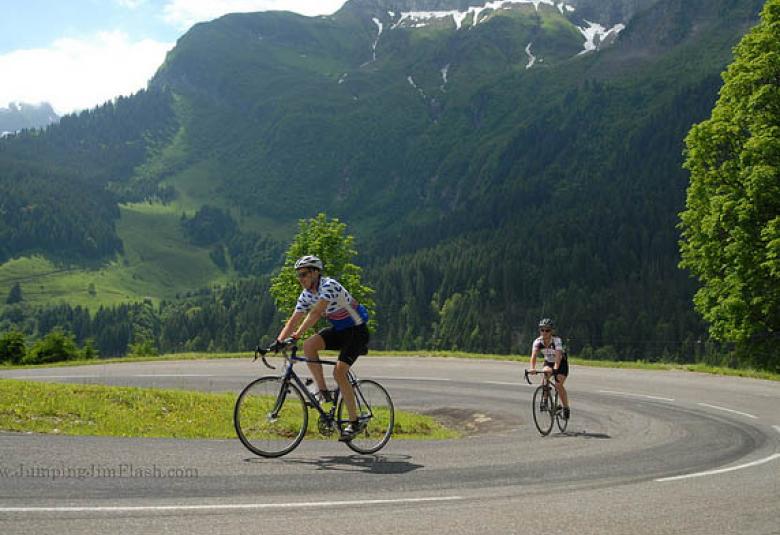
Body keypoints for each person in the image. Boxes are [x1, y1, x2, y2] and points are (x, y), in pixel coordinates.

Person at [276, 255, 370, 441]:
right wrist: (278, 342)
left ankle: (354, 422)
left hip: (357, 331)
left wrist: (295, 336)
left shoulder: (329, 285)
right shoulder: (306, 295)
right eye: (298, 275)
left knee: (339, 372)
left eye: (303, 274)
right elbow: (293, 320)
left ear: (315, 273)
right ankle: (323, 391)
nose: (300, 278)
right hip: (340, 330)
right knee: (309, 345)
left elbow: (316, 313)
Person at [529, 318, 570, 419]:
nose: (544, 332)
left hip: (561, 363)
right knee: (545, 375)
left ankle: (565, 408)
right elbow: (533, 356)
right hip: (548, 361)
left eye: (547, 330)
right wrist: (532, 368)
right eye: (542, 330)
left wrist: (556, 369)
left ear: (551, 331)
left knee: (558, 385)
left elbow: (558, 357)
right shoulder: (537, 342)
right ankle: (545, 401)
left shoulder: (556, 341)